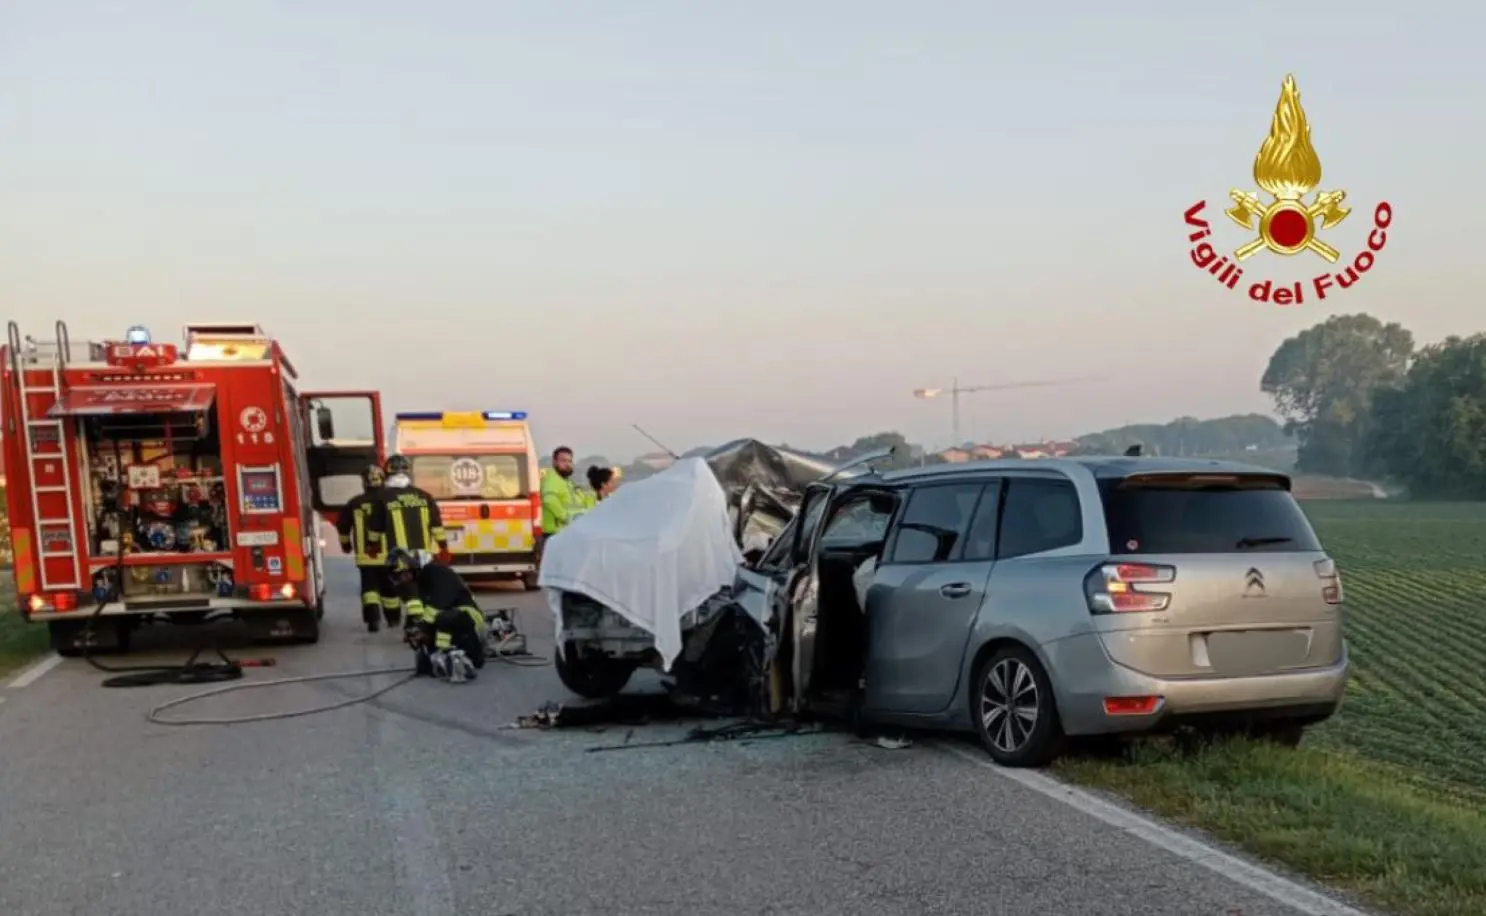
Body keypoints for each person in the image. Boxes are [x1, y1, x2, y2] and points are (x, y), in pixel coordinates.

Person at [386, 547, 487, 681]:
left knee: (444, 618)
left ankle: (466, 654)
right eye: (397, 577)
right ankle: (441, 657)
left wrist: (422, 629)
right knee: (438, 624)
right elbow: (419, 614)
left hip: (468, 615)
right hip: (446, 618)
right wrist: (412, 631)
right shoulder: (418, 584)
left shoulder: (436, 573)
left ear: (412, 568)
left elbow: (439, 605)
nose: (402, 580)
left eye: (403, 574)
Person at [378, 455, 451, 621]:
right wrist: (443, 547)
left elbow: (375, 527)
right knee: (419, 588)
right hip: (423, 555)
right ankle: (418, 622)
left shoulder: (382, 497)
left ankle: (412, 622)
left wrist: (371, 545)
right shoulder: (424, 496)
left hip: (399, 556)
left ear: (387, 473)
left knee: (407, 591)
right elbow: (436, 526)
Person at [336, 464, 396, 633]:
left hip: (366, 555)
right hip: (390, 554)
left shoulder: (355, 502)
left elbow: (343, 525)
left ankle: (373, 621)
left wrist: (345, 544)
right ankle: (393, 619)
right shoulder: (391, 500)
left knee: (369, 588)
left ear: (364, 483)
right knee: (389, 588)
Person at [538, 446, 588, 547]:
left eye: (570, 461)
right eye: (563, 461)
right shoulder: (552, 479)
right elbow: (549, 500)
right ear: (554, 462)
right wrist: (566, 517)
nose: (567, 464)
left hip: (566, 532)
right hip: (555, 533)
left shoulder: (567, 482)